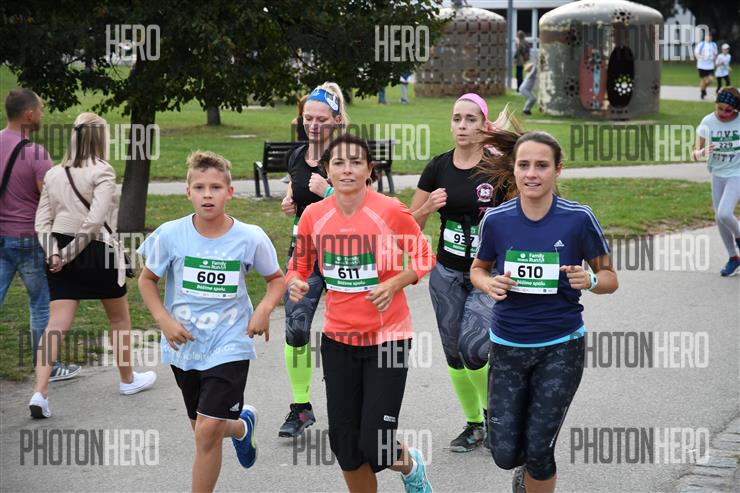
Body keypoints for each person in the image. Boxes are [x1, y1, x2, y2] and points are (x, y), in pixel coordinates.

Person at [471, 131, 618, 493]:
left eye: (541, 165)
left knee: (539, 450)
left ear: (558, 170)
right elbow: (478, 269)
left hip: (561, 347)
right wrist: (488, 284)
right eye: (524, 165)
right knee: (505, 453)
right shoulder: (497, 220)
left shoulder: (578, 218)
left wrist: (591, 279)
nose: (531, 174)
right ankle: (523, 472)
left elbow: (610, 278)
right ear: (514, 169)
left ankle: (535, 474)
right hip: (508, 346)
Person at [287, 134, 435, 492]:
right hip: (339, 340)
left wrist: (395, 283)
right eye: (339, 163)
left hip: (388, 339)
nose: (347, 170)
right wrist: (295, 282)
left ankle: (411, 465)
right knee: (346, 447)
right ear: (327, 170)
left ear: (369, 169)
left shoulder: (389, 210)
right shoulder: (314, 215)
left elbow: (424, 256)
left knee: (377, 445)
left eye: (356, 162)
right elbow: (298, 266)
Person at [138, 150, 286, 492]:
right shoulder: (170, 234)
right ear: (188, 192)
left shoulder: (250, 237)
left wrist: (264, 309)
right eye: (200, 187)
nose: (208, 195)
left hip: (229, 343)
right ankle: (242, 427)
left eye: (216, 188)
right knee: (205, 430)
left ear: (229, 192)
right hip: (184, 346)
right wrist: (163, 320)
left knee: (207, 432)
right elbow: (147, 280)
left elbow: (276, 279)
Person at [30, 112, 156, 418]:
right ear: (100, 138)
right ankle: (127, 379)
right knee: (119, 320)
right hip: (98, 251)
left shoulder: (54, 174)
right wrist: (69, 253)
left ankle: (40, 391)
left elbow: (41, 222)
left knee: (56, 325)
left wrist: (54, 253)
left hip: (59, 249)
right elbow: (95, 220)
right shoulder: (102, 170)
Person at [409, 93, 514, 453]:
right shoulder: (438, 166)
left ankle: (495, 415)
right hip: (447, 273)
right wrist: (428, 206)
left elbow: (521, 214)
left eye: (471, 119)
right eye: (457, 119)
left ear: (484, 125)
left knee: (474, 348)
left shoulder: (498, 168)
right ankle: (474, 425)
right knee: (454, 352)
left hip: (486, 272)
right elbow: (409, 224)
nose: (463, 126)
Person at [278, 82, 349, 438]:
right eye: (308, 118)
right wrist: (289, 198)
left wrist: (331, 192)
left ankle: (350, 404)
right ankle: (301, 407)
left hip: (344, 255)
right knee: (295, 328)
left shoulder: (346, 157)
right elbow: (296, 185)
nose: (313, 125)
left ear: (336, 120)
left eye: (321, 119)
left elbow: (366, 206)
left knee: (347, 332)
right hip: (304, 255)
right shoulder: (296, 155)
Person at [0, 88, 80, 380]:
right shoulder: (36, 154)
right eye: (41, 110)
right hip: (28, 240)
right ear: (29, 115)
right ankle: (49, 366)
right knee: (41, 304)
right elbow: (50, 200)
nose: (43, 115)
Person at [694, 87, 740, 276]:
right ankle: (733, 258)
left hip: (736, 173)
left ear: (735, 109)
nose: (722, 113)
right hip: (717, 174)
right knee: (719, 219)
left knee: (724, 213)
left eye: (728, 110)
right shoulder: (708, 122)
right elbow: (695, 153)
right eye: (719, 108)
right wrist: (701, 152)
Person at [695, 32, 718, 100]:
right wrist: (700, 57)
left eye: (710, 36)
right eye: (707, 36)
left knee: (710, 80)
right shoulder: (701, 44)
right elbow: (696, 53)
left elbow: (715, 54)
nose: (709, 38)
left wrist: (715, 61)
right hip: (702, 66)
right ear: (705, 37)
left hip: (710, 66)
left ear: (711, 37)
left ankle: (703, 89)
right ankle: (703, 92)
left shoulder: (714, 45)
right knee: (704, 80)